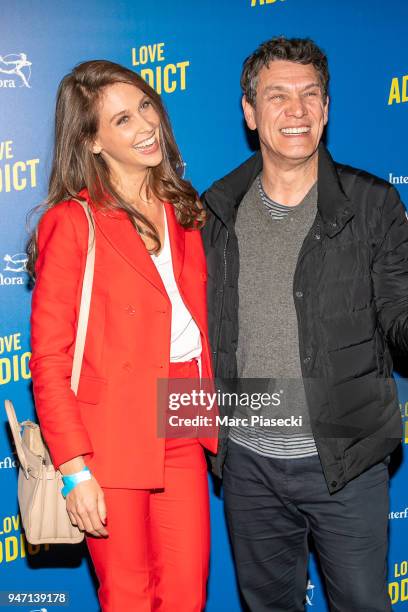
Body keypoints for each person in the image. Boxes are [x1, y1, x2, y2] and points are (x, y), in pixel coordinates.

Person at [202, 37, 407, 611]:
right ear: (249, 112)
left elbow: (400, 313)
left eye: (310, 95)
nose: (297, 110)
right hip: (246, 466)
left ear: (326, 108)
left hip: (346, 460)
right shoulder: (213, 211)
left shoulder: (372, 205)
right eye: (277, 96)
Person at [28, 60, 217, 612]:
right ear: (91, 141)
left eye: (145, 106)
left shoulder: (183, 207)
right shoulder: (73, 221)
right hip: (110, 430)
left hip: (182, 412)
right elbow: (49, 358)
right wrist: (74, 469)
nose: (145, 124)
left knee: (186, 594)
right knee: (130, 597)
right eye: (122, 120)